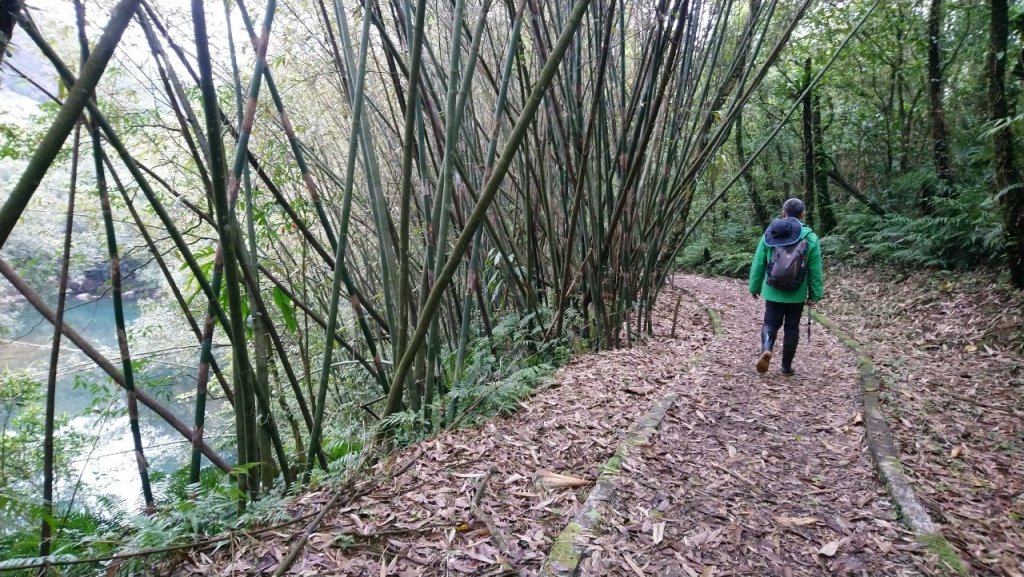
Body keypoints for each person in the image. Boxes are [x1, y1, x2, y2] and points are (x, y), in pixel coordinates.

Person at [748, 198, 823, 375]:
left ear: (784, 212)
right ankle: (786, 367)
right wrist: (815, 295)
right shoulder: (810, 237)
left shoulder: (772, 233)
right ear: (802, 214)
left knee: (770, 323)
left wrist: (754, 286)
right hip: (796, 292)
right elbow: (815, 269)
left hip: (773, 290)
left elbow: (759, 262)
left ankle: (767, 348)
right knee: (792, 326)